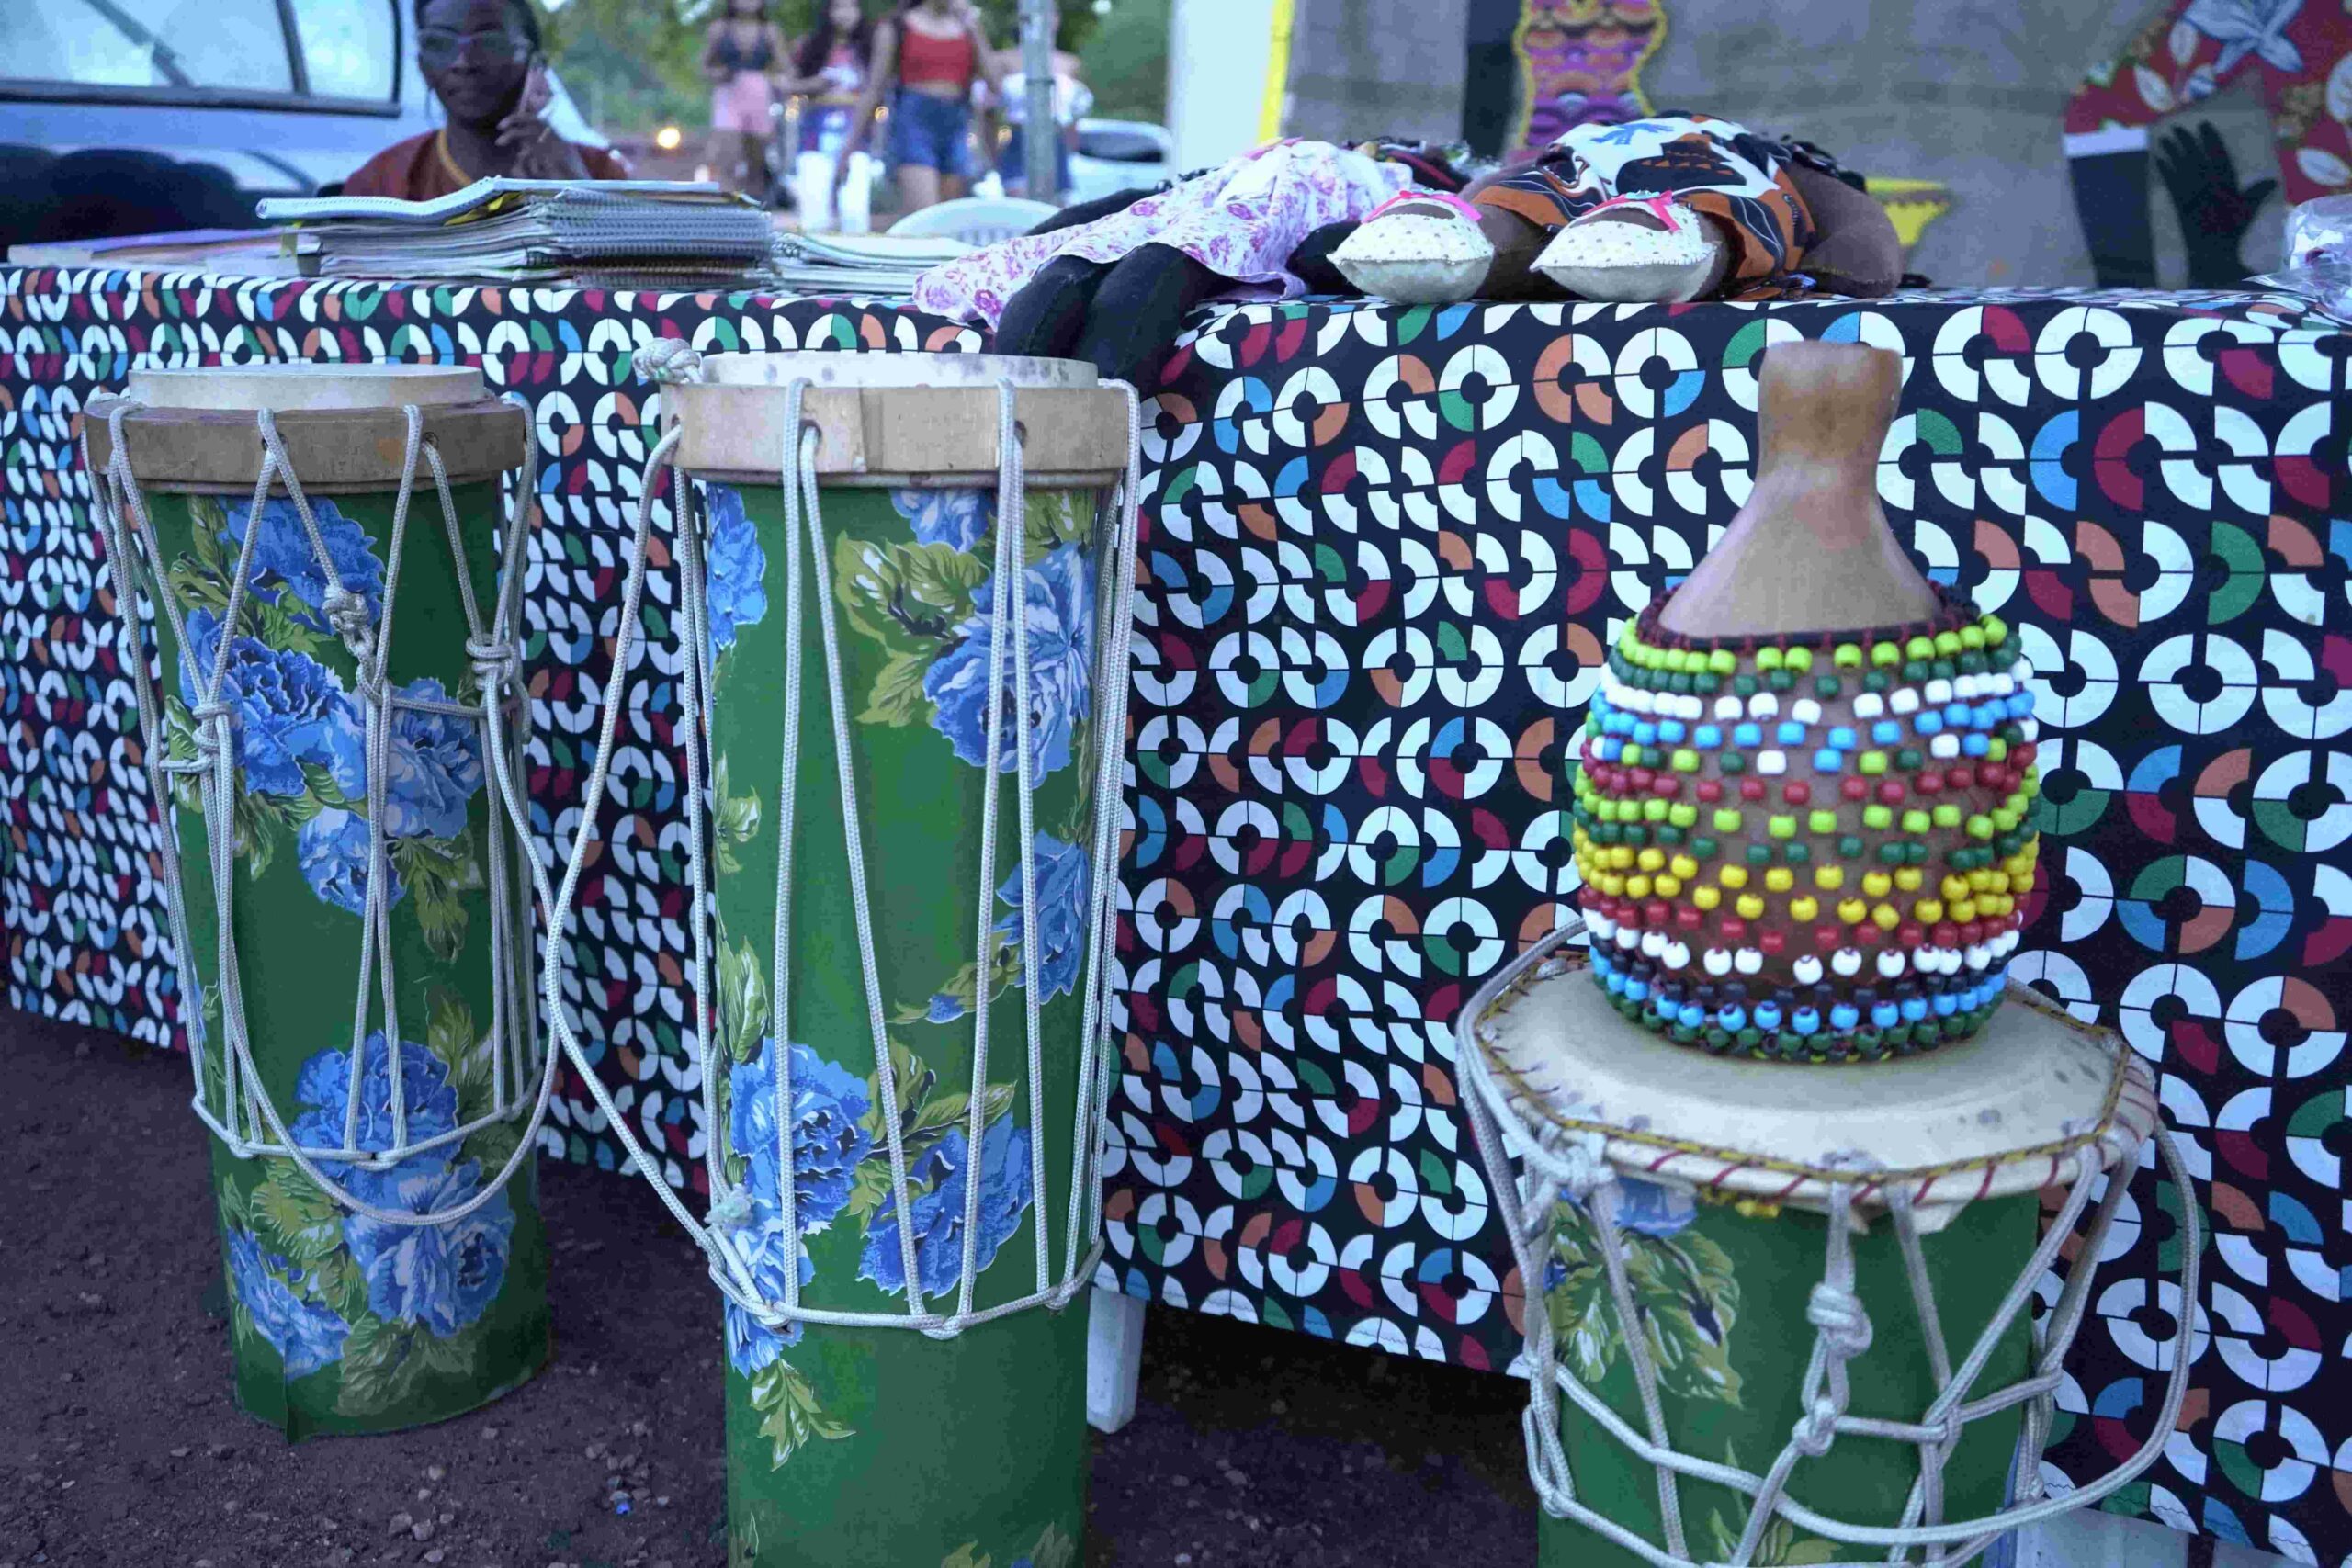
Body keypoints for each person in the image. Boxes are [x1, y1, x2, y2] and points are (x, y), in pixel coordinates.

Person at [343, 0, 628, 200]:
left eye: (490, 43)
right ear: (422, 66)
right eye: (440, 43)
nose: (463, 62)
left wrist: (585, 200)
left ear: (536, 66)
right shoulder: (378, 184)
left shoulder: (599, 174)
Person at [837, 0, 1001, 214]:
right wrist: (849, 147)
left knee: (949, 217)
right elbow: (874, 89)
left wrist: (975, 29)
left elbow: (996, 84)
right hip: (913, 125)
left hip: (957, 125)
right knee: (926, 215)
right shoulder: (897, 26)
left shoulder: (966, 27)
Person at [990, 15, 1090, 203]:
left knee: (1057, 210)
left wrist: (1072, 150)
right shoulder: (1003, 60)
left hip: (1057, 143)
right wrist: (991, 152)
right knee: (1020, 207)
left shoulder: (1070, 63)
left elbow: (1073, 116)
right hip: (1018, 141)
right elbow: (988, 111)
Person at [702, 0, 791, 197]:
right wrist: (718, 73)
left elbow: (785, 67)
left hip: (759, 95)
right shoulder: (720, 29)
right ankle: (725, 208)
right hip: (729, 94)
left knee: (756, 163)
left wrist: (778, 80)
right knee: (727, 157)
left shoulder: (769, 31)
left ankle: (752, 208)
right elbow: (705, 67)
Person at [783, 0, 876, 166]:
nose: (845, 13)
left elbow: (881, 87)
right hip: (816, 128)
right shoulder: (811, 46)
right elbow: (788, 84)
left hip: (859, 133)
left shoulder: (871, 47)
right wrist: (816, 84)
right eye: (838, 7)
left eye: (851, 6)